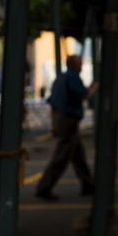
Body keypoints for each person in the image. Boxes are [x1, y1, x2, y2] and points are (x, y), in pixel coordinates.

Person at [35, 55, 97, 200]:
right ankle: (44, 187)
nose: (82, 65)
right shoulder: (73, 78)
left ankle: (88, 185)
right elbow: (85, 95)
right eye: (80, 62)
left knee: (78, 155)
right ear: (75, 64)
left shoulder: (60, 79)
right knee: (61, 155)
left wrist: (54, 124)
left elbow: (52, 104)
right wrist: (94, 88)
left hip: (62, 119)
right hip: (69, 120)